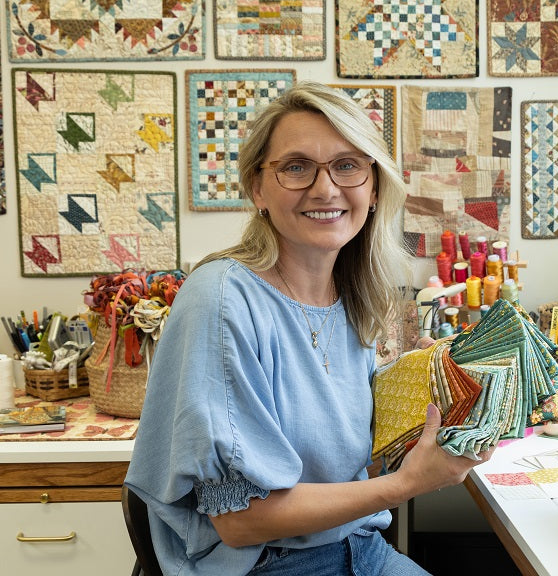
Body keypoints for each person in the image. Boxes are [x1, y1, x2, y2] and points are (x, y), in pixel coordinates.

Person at [125, 81, 493, 575]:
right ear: (258, 187)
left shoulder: (352, 297)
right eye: (296, 167)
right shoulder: (221, 298)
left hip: (357, 548)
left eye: (348, 165)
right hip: (266, 565)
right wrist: (408, 483)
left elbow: (346, 468)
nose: (325, 188)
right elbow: (241, 521)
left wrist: (430, 403)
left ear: (374, 185)